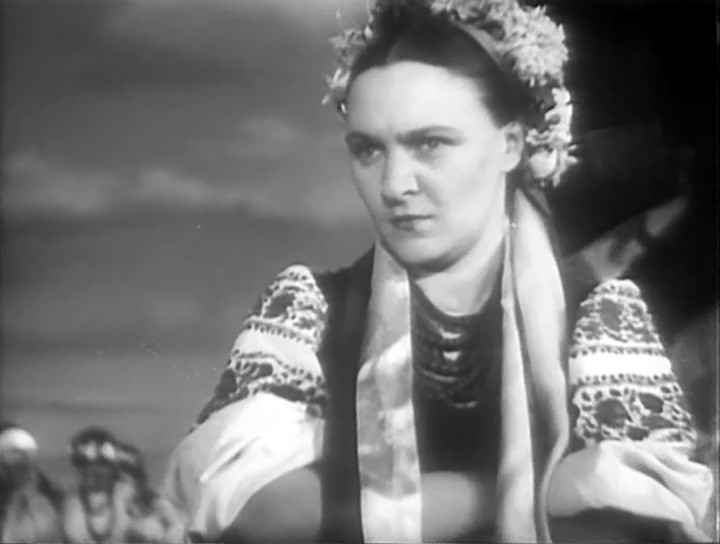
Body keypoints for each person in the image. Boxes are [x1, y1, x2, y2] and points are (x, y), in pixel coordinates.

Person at [162, 0, 715, 542]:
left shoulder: (595, 316)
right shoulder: (312, 310)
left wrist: (360, 506)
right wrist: (524, 490)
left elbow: (632, 525)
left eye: (430, 144)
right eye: (368, 151)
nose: (394, 184)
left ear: (512, 145)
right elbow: (260, 515)